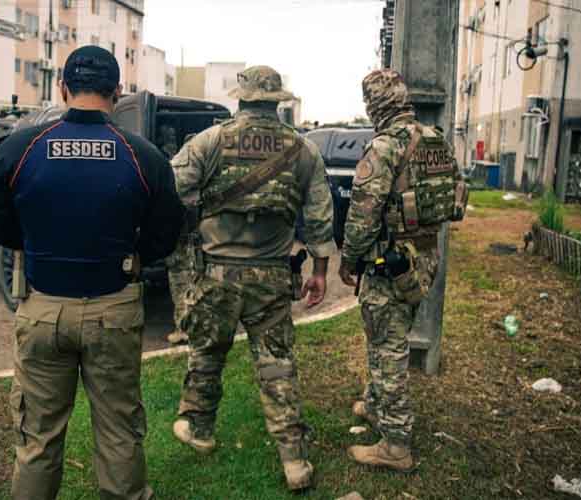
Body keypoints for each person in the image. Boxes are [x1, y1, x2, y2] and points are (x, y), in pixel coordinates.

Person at [0, 45, 184, 500]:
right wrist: (132, 254)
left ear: (62, 88)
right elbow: (166, 232)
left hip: (42, 308)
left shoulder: (19, 148)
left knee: (37, 438)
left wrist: (41, 245)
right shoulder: (143, 155)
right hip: (114, 309)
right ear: (117, 91)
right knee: (119, 430)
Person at [170, 65, 335, 491]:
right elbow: (319, 217)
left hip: (216, 274)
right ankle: (294, 462)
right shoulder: (303, 150)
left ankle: (199, 429)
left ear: (240, 98)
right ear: (277, 101)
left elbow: (172, 190)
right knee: (277, 366)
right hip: (272, 275)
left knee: (207, 354)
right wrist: (319, 271)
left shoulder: (209, 141)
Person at [338, 69, 467, 472]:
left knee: (388, 348)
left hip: (390, 264)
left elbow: (363, 215)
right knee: (389, 335)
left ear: (374, 104)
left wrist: (348, 260)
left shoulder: (385, 146)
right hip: (424, 259)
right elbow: (456, 195)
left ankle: (395, 444)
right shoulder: (436, 139)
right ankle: (376, 404)